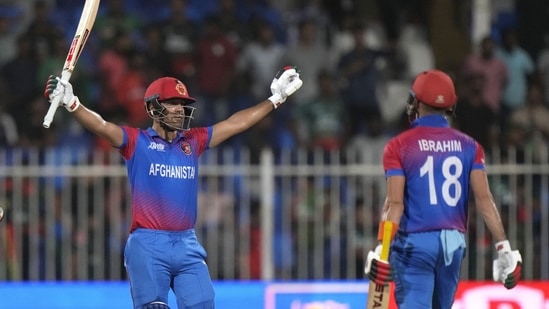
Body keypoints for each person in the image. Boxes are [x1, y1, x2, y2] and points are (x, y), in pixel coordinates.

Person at [44, 66, 303, 309]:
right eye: (172, 103)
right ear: (153, 107)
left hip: (187, 243)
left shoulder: (193, 141)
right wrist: (73, 104)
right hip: (147, 243)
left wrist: (275, 99)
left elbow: (236, 124)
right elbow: (102, 126)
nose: (179, 109)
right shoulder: (137, 141)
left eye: (182, 104)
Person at [363, 69, 522, 308]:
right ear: (451, 105)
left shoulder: (399, 146)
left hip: (414, 245)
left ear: (414, 101)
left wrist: (382, 248)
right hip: (454, 244)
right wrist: (504, 249)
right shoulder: (470, 146)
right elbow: (484, 200)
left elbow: (394, 204)